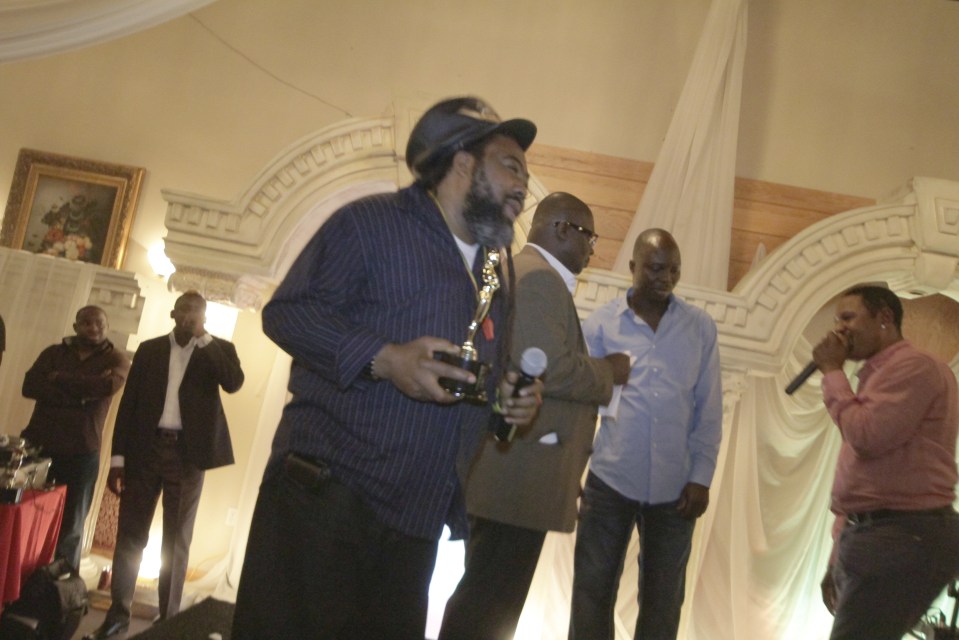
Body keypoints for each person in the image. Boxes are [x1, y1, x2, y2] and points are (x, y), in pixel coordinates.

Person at [231, 96, 544, 640]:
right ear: (463, 163)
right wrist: (385, 358)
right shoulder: (370, 224)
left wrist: (506, 402)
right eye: (511, 166)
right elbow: (288, 314)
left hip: (416, 522)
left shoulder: (497, 268)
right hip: (325, 507)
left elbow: (478, 371)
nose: (523, 184)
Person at [439, 192, 630, 640]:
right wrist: (609, 372)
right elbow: (545, 365)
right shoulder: (539, 278)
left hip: (515, 471)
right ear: (561, 228)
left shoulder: (523, 272)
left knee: (484, 598)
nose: (591, 250)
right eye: (589, 237)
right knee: (488, 607)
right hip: (518, 478)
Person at [568, 228, 723, 640]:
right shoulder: (601, 325)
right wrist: (571, 469)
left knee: (663, 601)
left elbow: (708, 408)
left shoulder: (700, 328)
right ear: (633, 267)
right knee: (591, 592)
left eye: (674, 270)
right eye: (655, 268)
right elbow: (581, 404)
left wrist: (702, 477)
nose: (665, 278)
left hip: (677, 488)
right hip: (610, 480)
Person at [85, 291, 244, 640]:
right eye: (184, 310)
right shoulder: (150, 350)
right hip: (144, 451)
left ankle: (168, 622)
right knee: (130, 535)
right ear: (173, 313)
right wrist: (117, 460)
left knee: (176, 542)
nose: (189, 317)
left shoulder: (218, 350)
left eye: (196, 313)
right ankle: (117, 616)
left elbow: (233, 382)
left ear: (204, 318)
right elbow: (128, 405)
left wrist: (204, 338)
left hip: (187, 458)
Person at [813, 285, 959, 640]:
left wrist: (831, 371)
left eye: (848, 317)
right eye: (837, 321)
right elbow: (864, 478)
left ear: (884, 318)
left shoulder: (915, 368)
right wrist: (837, 554)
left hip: (902, 534)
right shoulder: (878, 375)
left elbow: (866, 436)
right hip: (877, 534)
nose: (839, 329)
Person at [21, 305, 130, 571]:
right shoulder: (53, 352)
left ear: (107, 326)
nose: (93, 328)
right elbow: (30, 385)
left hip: (81, 451)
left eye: (99, 323)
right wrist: (80, 396)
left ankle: (61, 586)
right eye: (86, 323)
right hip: (39, 446)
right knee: (28, 514)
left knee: (71, 525)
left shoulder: (116, 358)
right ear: (75, 326)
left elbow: (107, 386)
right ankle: (22, 579)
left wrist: (58, 378)